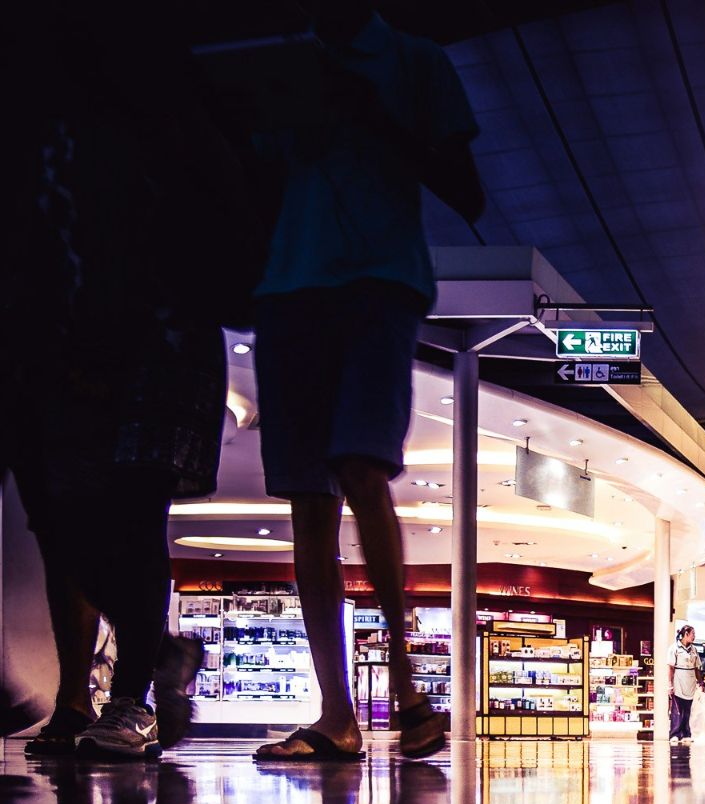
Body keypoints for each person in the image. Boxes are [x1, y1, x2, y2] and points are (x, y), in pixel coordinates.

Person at [3, 9, 251, 759]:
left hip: (143, 342)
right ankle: (144, 666)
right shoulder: (83, 122)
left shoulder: (130, 124)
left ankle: (129, 691)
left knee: (114, 513)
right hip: (82, 341)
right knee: (66, 517)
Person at [252, 2, 484, 762]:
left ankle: (404, 676)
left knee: (358, 468)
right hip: (289, 289)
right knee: (309, 504)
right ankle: (336, 711)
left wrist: (371, 115)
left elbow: (466, 188)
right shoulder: (281, 63)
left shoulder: (414, 61)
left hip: (378, 283)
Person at [663, 625, 701, 745]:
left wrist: (700, 682)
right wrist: (670, 684)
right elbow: (670, 667)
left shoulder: (694, 650)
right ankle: (674, 733)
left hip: (690, 680)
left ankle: (686, 733)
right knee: (677, 709)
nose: (694, 636)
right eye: (692, 634)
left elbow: (697, 667)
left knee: (687, 709)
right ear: (686, 634)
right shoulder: (674, 648)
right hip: (679, 679)